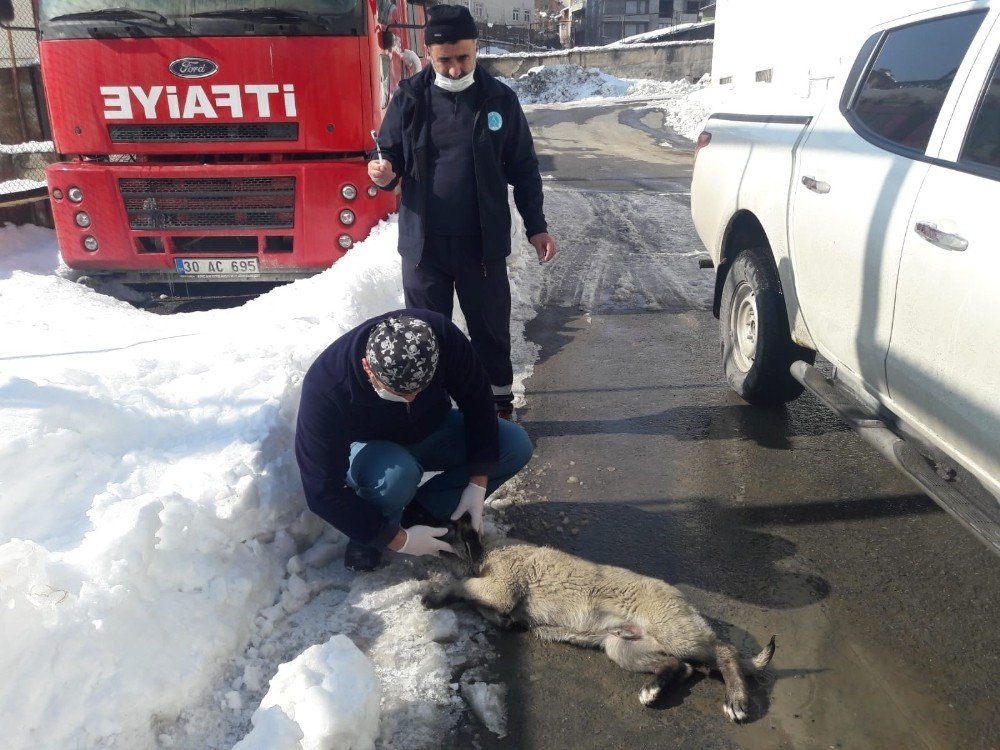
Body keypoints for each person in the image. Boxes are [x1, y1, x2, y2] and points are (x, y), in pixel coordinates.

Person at [368, 4, 557, 421]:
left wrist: (536, 226)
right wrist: (382, 173)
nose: (454, 70)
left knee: (489, 331)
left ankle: (497, 408)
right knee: (426, 334)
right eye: (444, 60)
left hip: (481, 246)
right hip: (424, 248)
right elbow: (388, 155)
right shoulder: (411, 97)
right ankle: (434, 412)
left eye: (463, 58)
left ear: (476, 49)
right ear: (429, 54)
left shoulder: (499, 100)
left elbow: (524, 168)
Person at [295, 310, 534, 572]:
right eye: (398, 394)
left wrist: (478, 483)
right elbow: (322, 490)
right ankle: (371, 532)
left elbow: (478, 403)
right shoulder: (327, 386)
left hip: (433, 429)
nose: (410, 400)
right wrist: (399, 541)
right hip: (370, 449)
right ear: (367, 368)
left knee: (514, 445)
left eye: (418, 391)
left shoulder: (440, 337)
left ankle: (423, 513)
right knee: (397, 476)